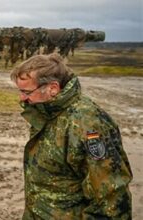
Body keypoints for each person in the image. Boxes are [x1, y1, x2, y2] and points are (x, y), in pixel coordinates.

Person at [10, 53, 132, 219]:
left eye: (26, 92)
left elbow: (111, 199)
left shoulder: (88, 124)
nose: (22, 98)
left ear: (52, 88)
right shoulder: (47, 113)